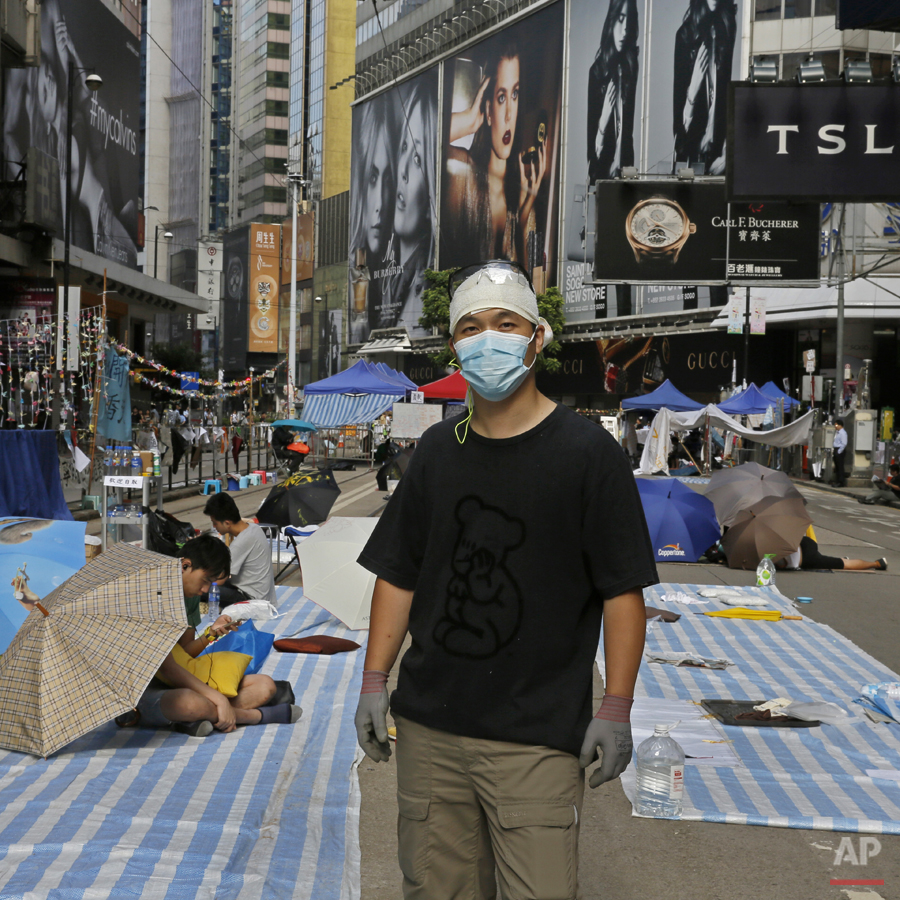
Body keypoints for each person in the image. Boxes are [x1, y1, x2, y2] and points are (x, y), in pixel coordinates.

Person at [354, 260, 658, 899]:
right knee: (437, 889)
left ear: (537, 337)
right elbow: (398, 576)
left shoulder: (586, 453)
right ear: (453, 346)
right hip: (431, 730)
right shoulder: (436, 454)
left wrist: (617, 706)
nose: (487, 338)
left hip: (538, 736)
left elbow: (621, 591)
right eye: (471, 327)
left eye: (505, 323)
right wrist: (375, 681)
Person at [112, 536, 298, 736]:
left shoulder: (187, 595)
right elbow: (167, 668)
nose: (205, 590)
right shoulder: (148, 597)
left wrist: (210, 635)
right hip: (140, 690)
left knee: (264, 685)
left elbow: (183, 654)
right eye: (205, 581)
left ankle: (195, 719)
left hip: (176, 678)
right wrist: (217, 699)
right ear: (185, 565)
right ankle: (253, 716)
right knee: (189, 703)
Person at [446, 38, 546, 267]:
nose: (510, 114)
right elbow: (420, 145)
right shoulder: (464, 176)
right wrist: (470, 120)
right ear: (488, 110)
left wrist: (521, 224)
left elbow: (533, 296)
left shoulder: (524, 202)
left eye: (515, 94)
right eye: (501, 97)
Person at [379, 80, 437, 334]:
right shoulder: (391, 281)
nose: (402, 170)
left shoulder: (426, 294)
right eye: (404, 147)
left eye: (417, 158)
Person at [348, 93, 398, 342]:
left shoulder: (400, 281)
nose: (379, 204)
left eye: (388, 180)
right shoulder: (357, 271)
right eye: (373, 178)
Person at [672, 0, 737, 175]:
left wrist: (726, 154)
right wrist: (693, 88)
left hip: (719, 160)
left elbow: (727, 98)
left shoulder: (727, 27)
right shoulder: (684, 37)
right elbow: (679, 130)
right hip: (692, 162)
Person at [587, 0, 639, 182]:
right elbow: (591, 152)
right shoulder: (597, 73)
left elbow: (628, 131)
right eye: (620, 19)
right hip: (601, 175)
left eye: (629, 20)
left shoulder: (632, 66)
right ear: (611, 20)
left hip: (625, 177)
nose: (625, 29)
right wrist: (604, 118)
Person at [203, 493, 277, 609]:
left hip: (252, 600)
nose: (214, 526)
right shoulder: (254, 528)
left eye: (215, 523)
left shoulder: (240, 544)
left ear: (227, 523)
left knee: (201, 589)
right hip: (263, 595)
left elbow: (220, 580)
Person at [777, 535, 887, 572]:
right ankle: (840, 559)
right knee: (830, 561)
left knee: (844, 564)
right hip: (804, 542)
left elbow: (783, 565)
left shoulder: (763, 551)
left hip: (807, 557)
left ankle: (876, 564)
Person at [832, 417, 848, 487]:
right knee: (837, 467)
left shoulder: (843, 433)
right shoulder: (837, 433)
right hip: (836, 450)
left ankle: (841, 482)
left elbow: (844, 443)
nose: (835, 426)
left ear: (840, 425)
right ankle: (837, 481)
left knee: (840, 467)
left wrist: (839, 452)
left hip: (839, 450)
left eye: (836, 425)